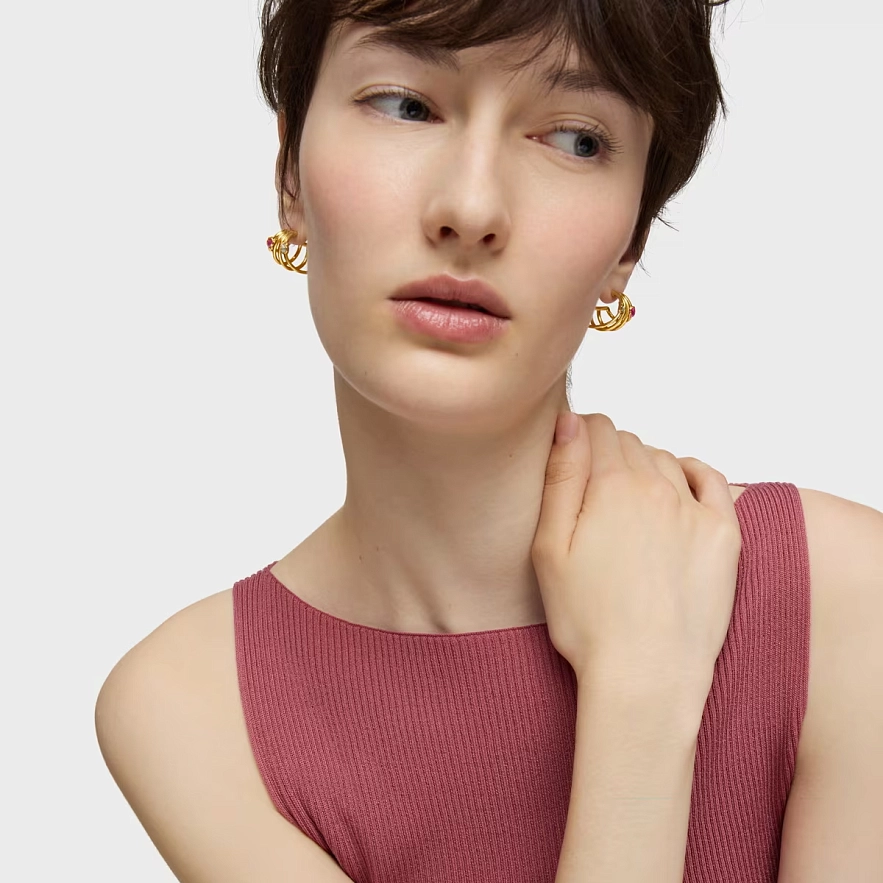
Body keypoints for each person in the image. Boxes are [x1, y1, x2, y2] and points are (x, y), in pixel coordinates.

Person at [94, 2, 883, 882]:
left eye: (574, 139)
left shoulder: (842, 601)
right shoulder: (198, 706)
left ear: (628, 241)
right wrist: (639, 693)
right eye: (405, 105)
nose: (470, 209)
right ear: (289, 175)